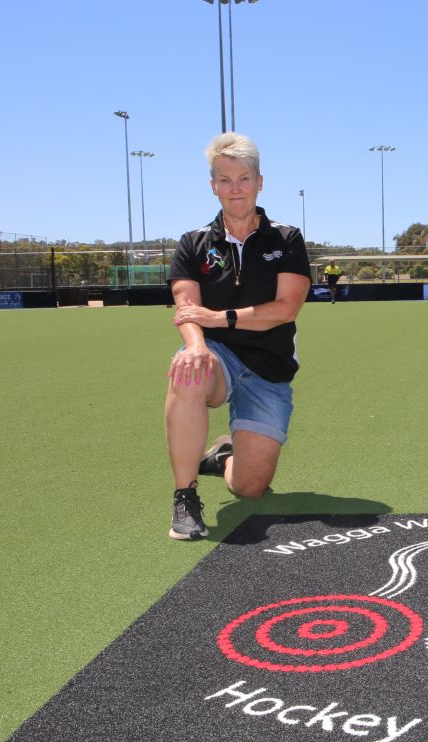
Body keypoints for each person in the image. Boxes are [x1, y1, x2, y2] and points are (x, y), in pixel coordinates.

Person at [164, 132, 312, 541]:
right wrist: (195, 343)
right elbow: (186, 308)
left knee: (250, 489)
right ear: (213, 186)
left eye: (243, 178)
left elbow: (285, 309)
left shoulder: (286, 239)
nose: (235, 189)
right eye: (225, 181)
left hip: (268, 370)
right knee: (187, 369)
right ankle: (185, 496)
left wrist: (218, 317)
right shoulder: (193, 243)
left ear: (259, 182)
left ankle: (225, 454)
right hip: (219, 358)